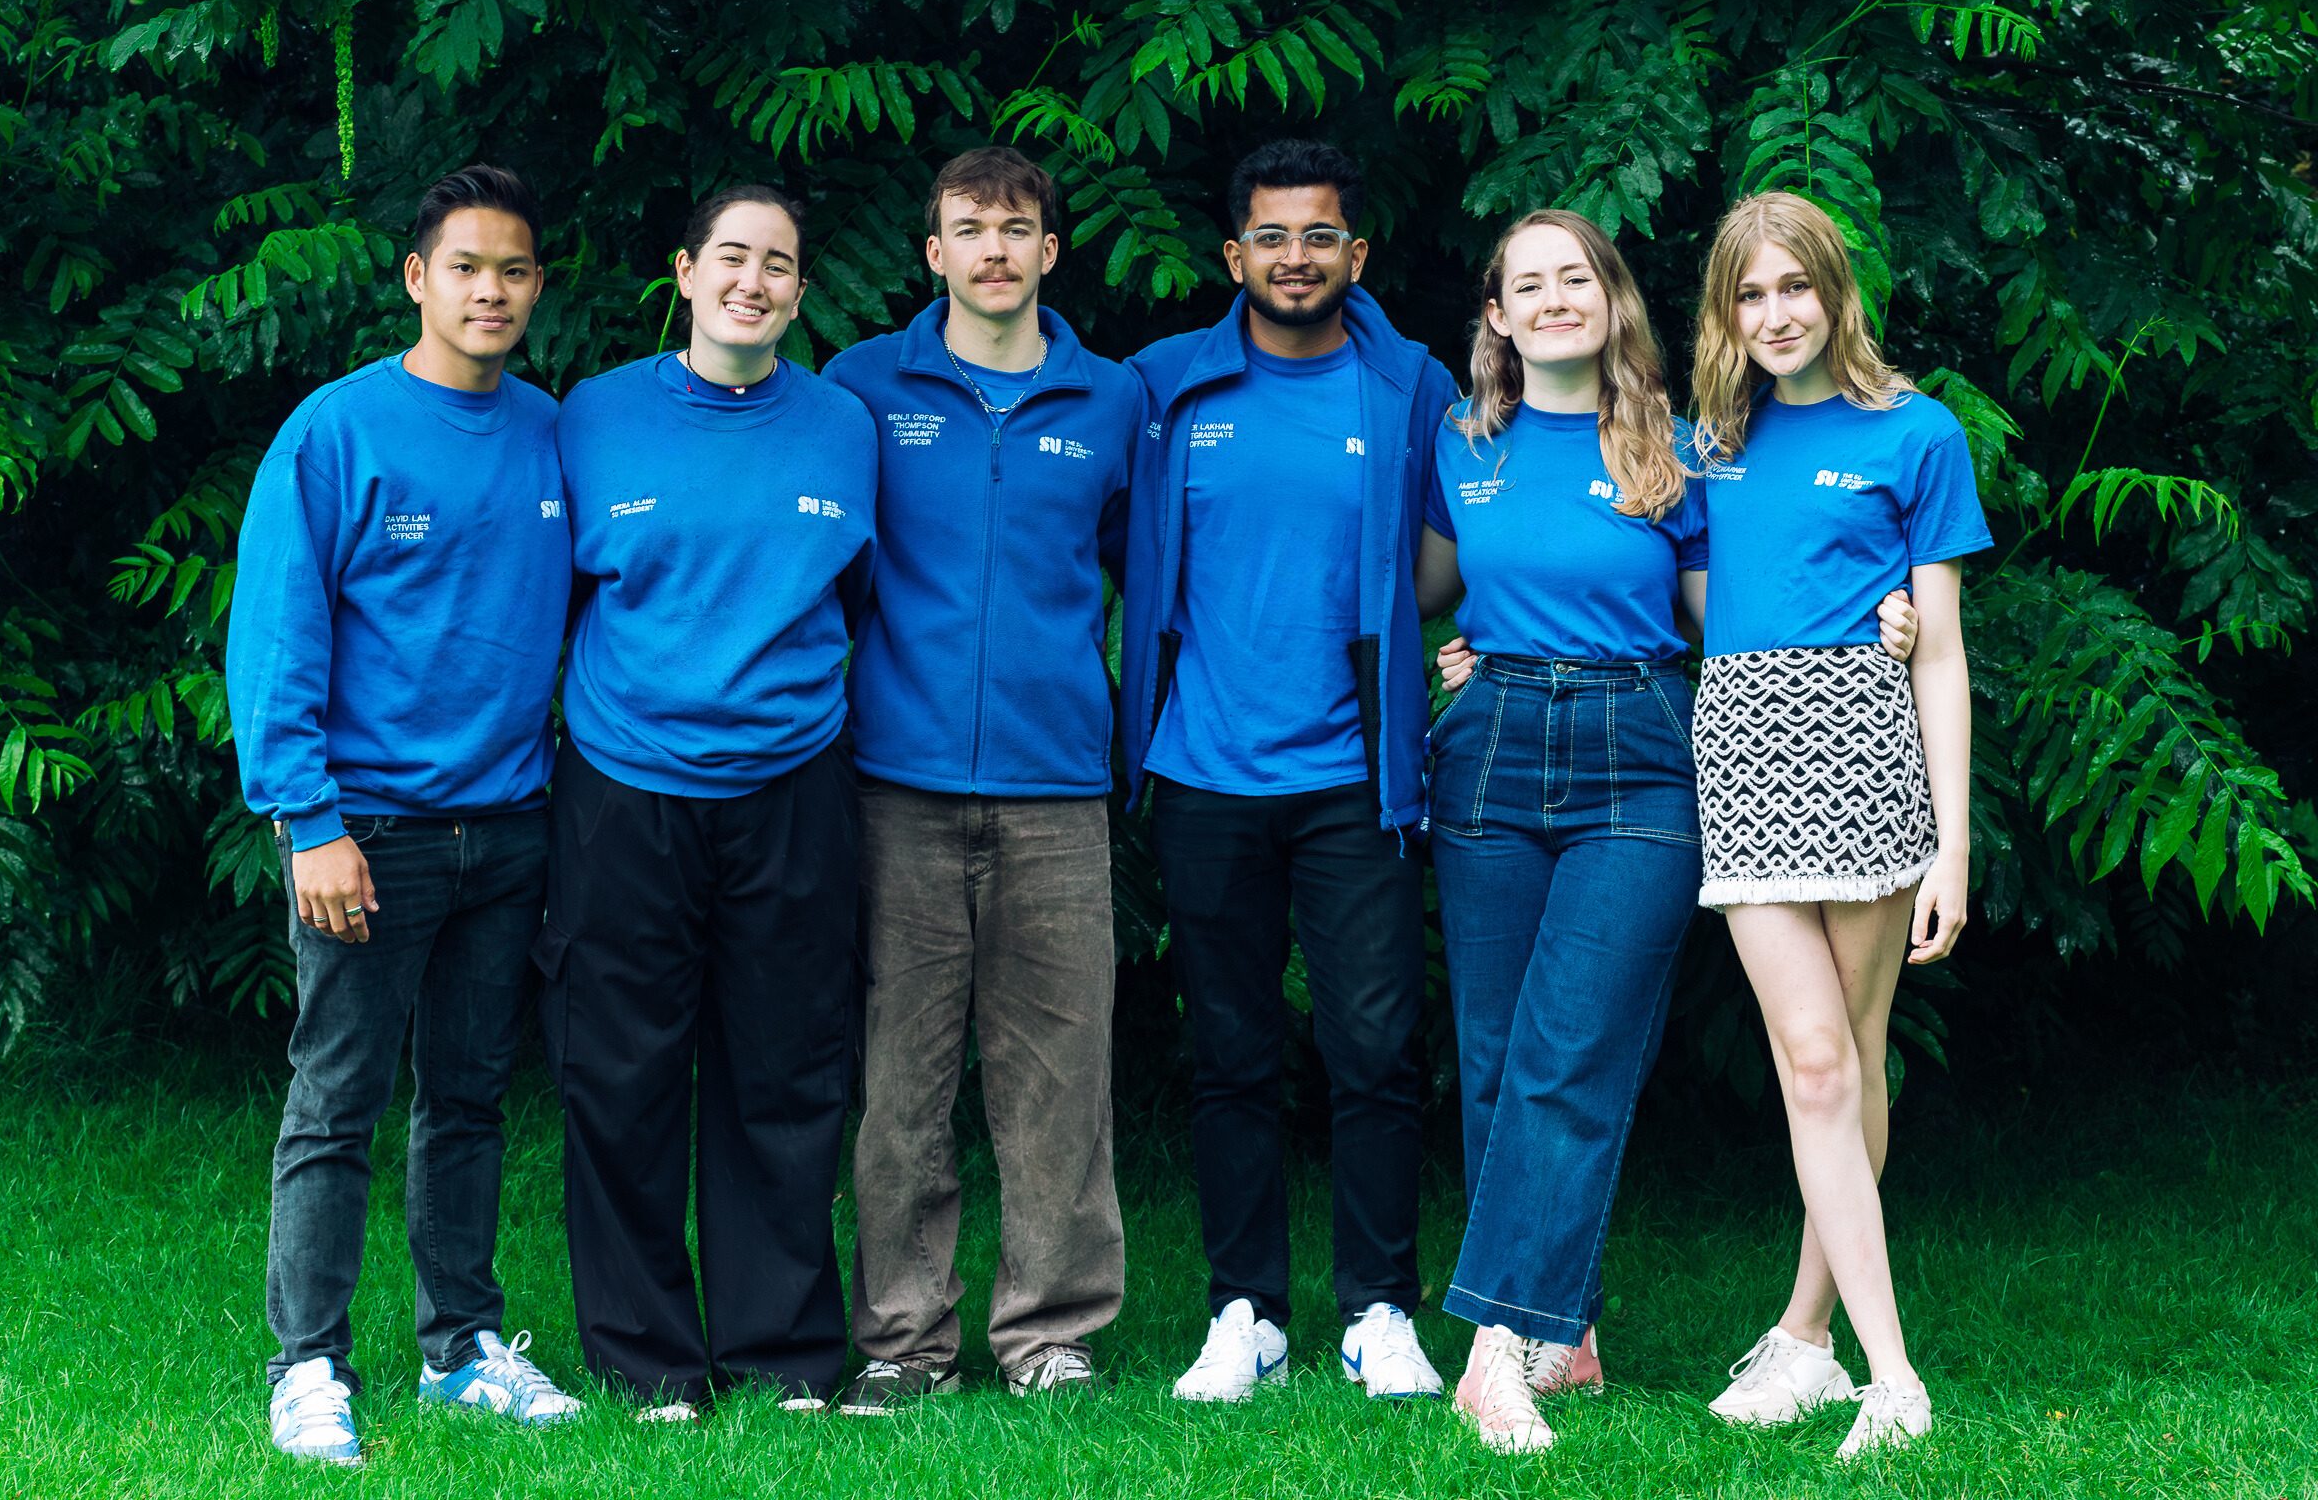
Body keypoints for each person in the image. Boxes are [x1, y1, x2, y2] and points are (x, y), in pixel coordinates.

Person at [1417, 211, 1917, 1455]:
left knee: (1575, 1044)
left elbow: (1744, 599)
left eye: (1573, 277)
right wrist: (1456, 658)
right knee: (1494, 1052)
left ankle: (1491, 1356)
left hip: (1641, 753)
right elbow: (1429, 588)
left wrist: (1889, 612)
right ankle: (1556, 1327)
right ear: (1495, 314)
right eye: (1524, 284)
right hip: (1491, 745)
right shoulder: (1460, 443)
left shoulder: (1683, 448)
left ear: (1613, 297)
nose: (1551, 299)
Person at [230, 164, 582, 1466]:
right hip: (365, 829)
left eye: (516, 269)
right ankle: (308, 1363)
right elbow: (276, 635)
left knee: (472, 1096)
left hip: (509, 823)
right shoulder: (337, 433)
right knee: (338, 1099)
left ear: (537, 288)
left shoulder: (553, 432)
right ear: (417, 279)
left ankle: (460, 1350)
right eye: (468, 267)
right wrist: (306, 820)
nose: (492, 290)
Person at [1117, 139, 1458, 1403]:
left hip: (1355, 773)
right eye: (1271, 236)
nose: (1296, 258)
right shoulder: (1164, 387)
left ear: (1355, 254)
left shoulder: (1412, 386)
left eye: (1320, 236)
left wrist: (1465, 642)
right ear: (1234, 255)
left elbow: (1480, 519)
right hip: (1204, 768)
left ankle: (1379, 1310)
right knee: (1231, 1052)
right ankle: (1243, 1310)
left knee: (1375, 1048)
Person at [538, 185, 878, 1418]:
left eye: (778, 263)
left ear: (799, 288)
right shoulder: (593, 417)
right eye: (730, 256)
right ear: (684, 272)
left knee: (784, 1076)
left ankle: (781, 1352)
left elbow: (862, 599)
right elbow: (553, 598)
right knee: (621, 1074)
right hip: (626, 787)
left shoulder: (845, 426)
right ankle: (648, 1358)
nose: (753, 280)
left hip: (792, 785)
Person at [820, 148, 1141, 1411]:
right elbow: (836, 571)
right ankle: (903, 1338)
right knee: (900, 1074)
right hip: (893, 782)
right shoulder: (862, 389)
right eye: (970, 229)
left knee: (1061, 1076)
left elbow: (1139, 568)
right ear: (933, 250)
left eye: (1017, 230)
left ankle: (1051, 1329)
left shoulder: (1111, 401)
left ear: (1051, 252)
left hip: (1058, 784)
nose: (995, 251)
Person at [1687, 190, 1987, 1460]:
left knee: (1847, 1058)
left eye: (1794, 287)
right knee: (1812, 1059)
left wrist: (1953, 845)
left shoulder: (1916, 433)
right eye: (1749, 294)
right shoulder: (1706, 446)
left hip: (1869, 758)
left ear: (1835, 289)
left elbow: (1942, 654)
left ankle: (1811, 1342)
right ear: (1724, 311)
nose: (1775, 314)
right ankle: (1893, 1374)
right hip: (1745, 758)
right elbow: (1692, 609)